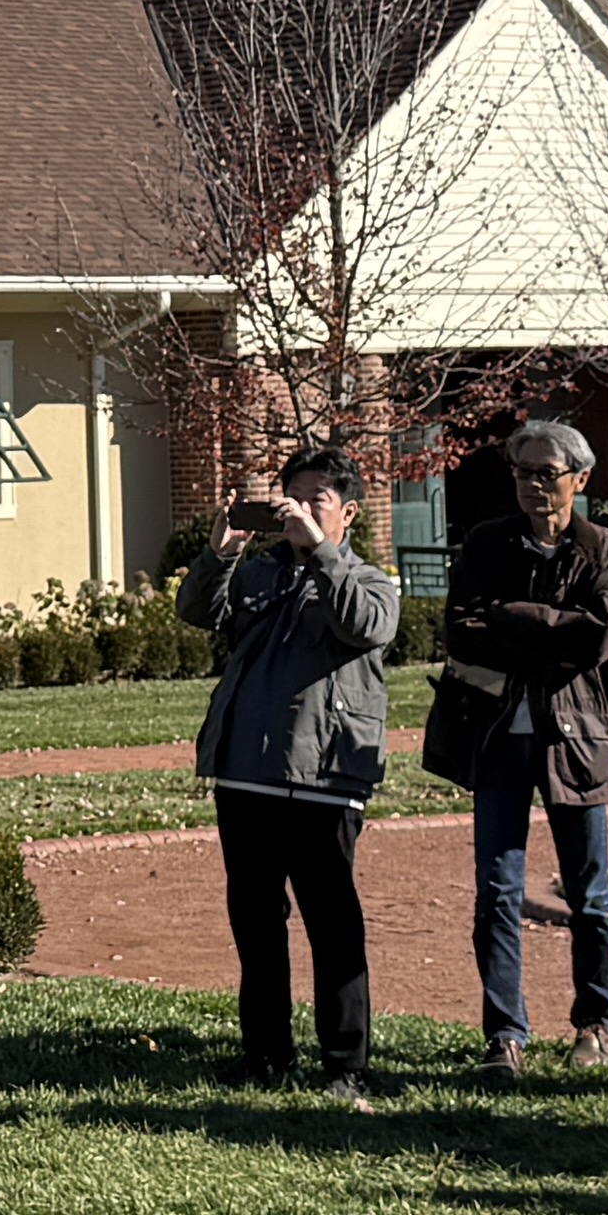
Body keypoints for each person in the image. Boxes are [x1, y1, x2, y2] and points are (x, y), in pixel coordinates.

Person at [192, 445, 401, 1104]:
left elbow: (365, 626)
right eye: (294, 499)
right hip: (246, 773)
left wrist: (322, 554)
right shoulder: (260, 573)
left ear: (349, 513)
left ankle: (345, 1065)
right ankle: (265, 1056)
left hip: (326, 776)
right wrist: (222, 551)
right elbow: (200, 613)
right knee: (256, 919)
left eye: (318, 502)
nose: (301, 512)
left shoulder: (370, 581)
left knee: (333, 922)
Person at [423, 420, 608, 1077]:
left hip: (576, 740)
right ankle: (504, 1036)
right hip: (496, 737)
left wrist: (508, 616)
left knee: (589, 891)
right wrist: (543, 636)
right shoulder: (485, 544)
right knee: (497, 891)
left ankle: (595, 1024)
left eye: (547, 473)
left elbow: (596, 640)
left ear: (580, 479)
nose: (534, 485)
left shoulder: (607, 552)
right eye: (522, 473)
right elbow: (462, 632)